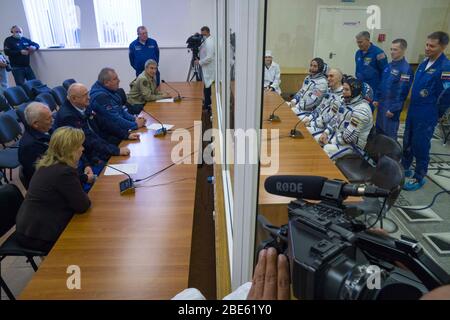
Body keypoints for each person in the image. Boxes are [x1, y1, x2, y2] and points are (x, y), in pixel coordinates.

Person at [15, 127, 91, 253]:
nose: (82, 149)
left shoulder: (48, 164)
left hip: (28, 227)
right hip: (37, 235)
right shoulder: (64, 172)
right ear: (69, 150)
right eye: (79, 146)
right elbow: (83, 205)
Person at [402, 31, 450, 191]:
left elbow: (446, 95)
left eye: (432, 46)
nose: (427, 48)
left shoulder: (445, 67)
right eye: (427, 44)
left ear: (443, 47)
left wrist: (437, 114)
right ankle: (405, 166)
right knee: (407, 139)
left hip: (428, 112)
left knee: (420, 144)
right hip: (414, 109)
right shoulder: (424, 62)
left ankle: (419, 176)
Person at [18, 102, 95, 189]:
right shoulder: (30, 147)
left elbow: (74, 147)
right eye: (48, 119)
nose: (53, 120)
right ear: (36, 124)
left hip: (77, 173)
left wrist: (86, 165)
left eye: (51, 116)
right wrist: (85, 178)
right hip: (62, 187)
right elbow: (55, 175)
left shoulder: (50, 129)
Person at [56, 83, 132, 166]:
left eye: (88, 94)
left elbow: (104, 123)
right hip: (87, 154)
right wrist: (116, 151)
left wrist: (126, 135)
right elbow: (89, 140)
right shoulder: (68, 117)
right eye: (85, 95)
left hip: (98, 144)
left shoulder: (83, 105)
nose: (89, 97)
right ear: (74, 98)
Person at [322, 77, 373, 161]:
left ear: (355, 92)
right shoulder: (346, 102)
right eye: (343, 89)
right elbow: (335, 119)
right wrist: (326, 132)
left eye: (346, 90)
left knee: (326, 149)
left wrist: (331, 141)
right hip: (340, 138)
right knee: (318, 140)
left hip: (353, 146)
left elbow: (348, 137)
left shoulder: (362, 110)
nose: (343, 92)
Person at [374, 39, 414, 139]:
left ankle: (391, 154)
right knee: (379, 131)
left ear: (403, 50)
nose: (392, 52)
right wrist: (376, 98)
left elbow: (402, 91)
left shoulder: (405, 69)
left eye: (395, 50)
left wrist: (394, 109)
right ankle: (379, 153)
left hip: (391, 107)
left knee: (389, 134)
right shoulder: (389, 65)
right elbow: (382, 83)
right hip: (382, 104)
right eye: (391, 49)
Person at [90, 68, 147, 132]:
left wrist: (135, 119)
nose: (119, 80)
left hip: (119, 130)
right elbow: (115, 119)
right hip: (110, 134)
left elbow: (121, 111)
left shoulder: (110, 90)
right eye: (115, 79)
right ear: (106, 83)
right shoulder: (100, 97)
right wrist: (135, 125)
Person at [303, 68, 344, 140]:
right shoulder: (329, 91)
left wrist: (312, 123)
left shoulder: (343, 96)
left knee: (304, 132)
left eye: (331, 76)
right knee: (301, 125)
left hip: (328, 129)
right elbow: (320, 107)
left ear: (339, 78)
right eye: (328, 76)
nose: (328, 79)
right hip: (319, 123)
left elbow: (333, 118)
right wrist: (309, 118)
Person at [355, 31, 388, 109]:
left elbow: (385, 73)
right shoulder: (358, 53)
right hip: (360, 88)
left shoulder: (379, 53)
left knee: (367, 110)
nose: (359, 44)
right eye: (357, 42)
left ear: (368, 40)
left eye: (361, 42)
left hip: (373, 89)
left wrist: (378, 94)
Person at [195, 26, 215, 110]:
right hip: (206, 67)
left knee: (208, 87)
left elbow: (210, 57)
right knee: (206, 86)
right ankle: (207, 103)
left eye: (203, 34)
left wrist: (199, 62)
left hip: (209, 68)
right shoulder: (207, 41)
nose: (202, 35)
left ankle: (208, 105)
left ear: (207, 32)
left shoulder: (210, 41)